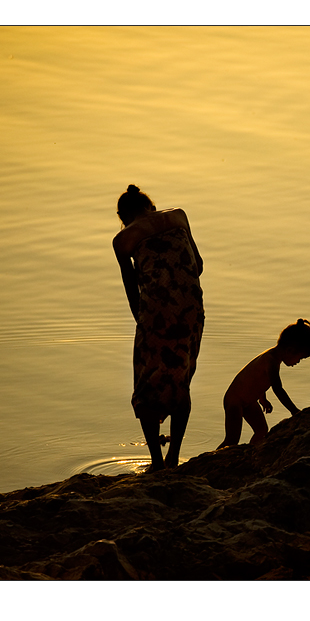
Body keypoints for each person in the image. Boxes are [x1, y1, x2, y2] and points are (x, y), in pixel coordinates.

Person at [113, 185, 204, 472]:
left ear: (123, 217)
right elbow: (198, 265)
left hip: (157, 316)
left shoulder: (123, 239)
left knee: (147, 383)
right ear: (150, 206)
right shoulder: (178, 216)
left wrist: (145, 326)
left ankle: (155, 462)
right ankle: (174, 457)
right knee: (181, 378)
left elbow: (132, 292)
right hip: (191, 310)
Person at [218, 319, 310, 448]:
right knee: (232, 440)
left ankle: (251, 454)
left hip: (249, 401)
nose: (298, 362)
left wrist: (262, 398)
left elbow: (257, 379)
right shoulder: (270, 361)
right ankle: (208, 463)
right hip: (235, 401)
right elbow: (278, 389)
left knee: (261, 431)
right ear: (290, 350)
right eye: (300, 358)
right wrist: (294, 411)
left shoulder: (274, 359)